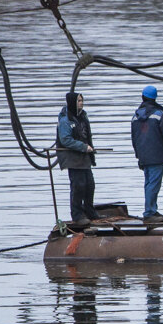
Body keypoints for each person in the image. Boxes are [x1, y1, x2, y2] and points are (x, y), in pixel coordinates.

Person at [131, 85, 163, 223]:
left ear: (142, 97)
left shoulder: (136, 116)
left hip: (144, 156)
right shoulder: (159, 114)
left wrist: (138, 156)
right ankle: (150, 212)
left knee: (148, 183)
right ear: (155, 98)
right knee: (154, 184)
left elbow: (134, 138)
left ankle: (151, 209)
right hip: (157, 155)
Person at [56, 91, 101, 225]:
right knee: (78, 186)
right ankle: (77, 214)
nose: (81, 103)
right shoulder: (65, 121)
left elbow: (87, 135)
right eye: (79, 101)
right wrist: (83, 146)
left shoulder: (83, 117)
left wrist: (90, 149)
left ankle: (89, 210)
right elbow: (65, 140)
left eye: (82, 100)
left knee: (90, 185)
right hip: (73, 159)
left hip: (85, 159)